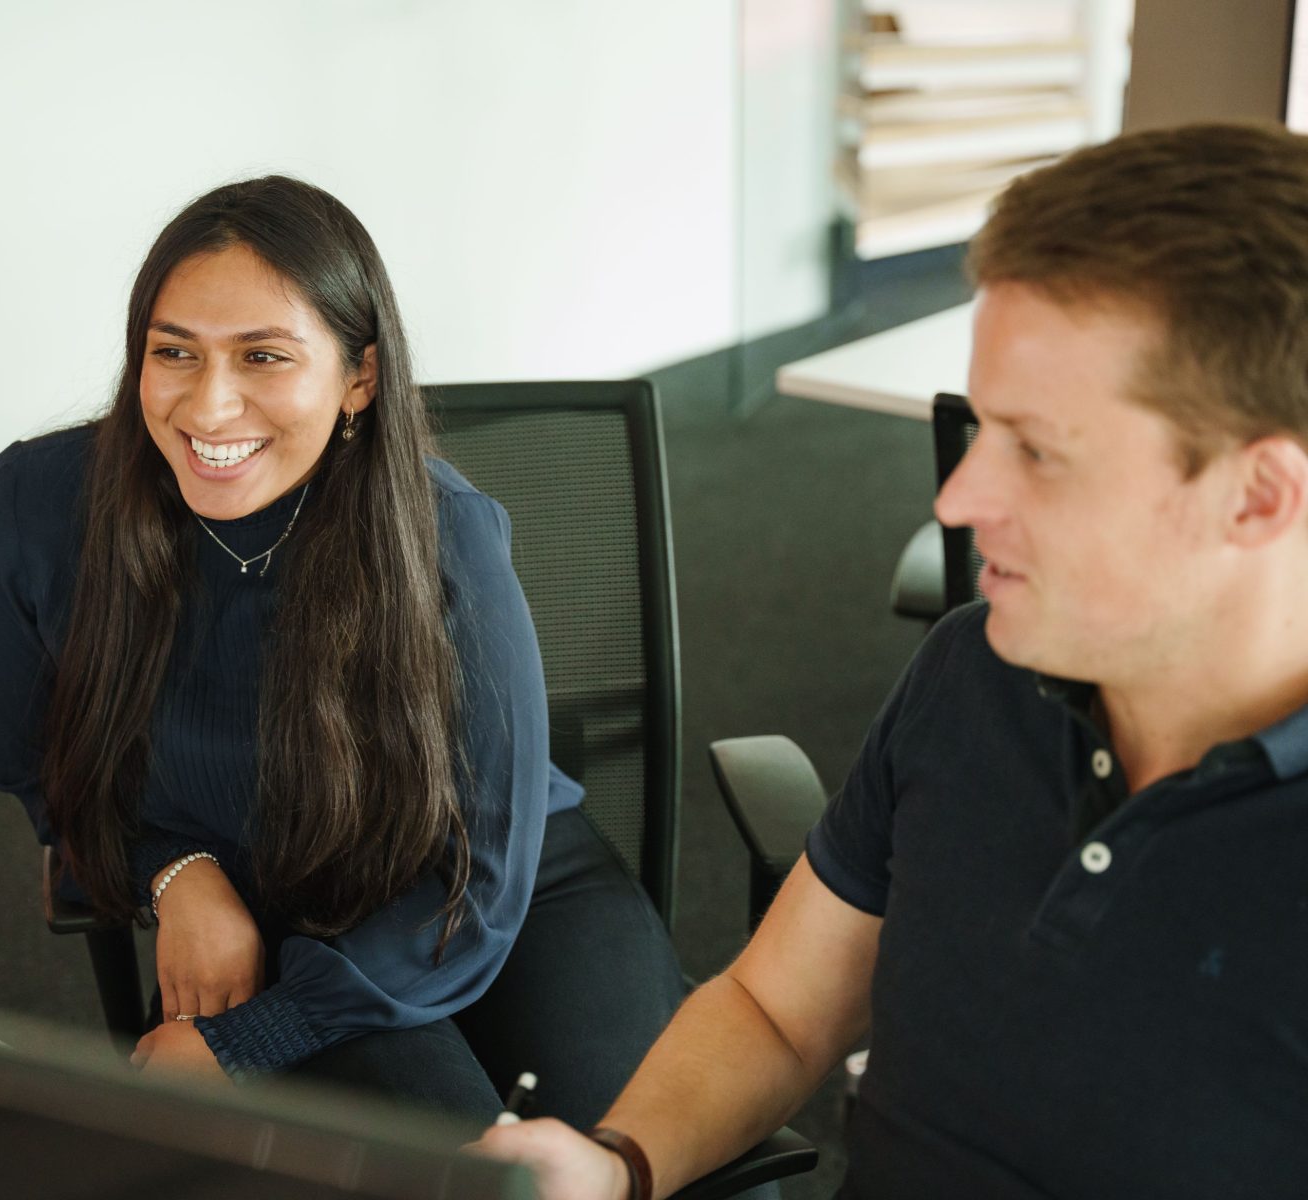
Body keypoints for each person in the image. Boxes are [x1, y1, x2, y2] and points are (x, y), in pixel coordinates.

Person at [478, 121, 1308, 1198]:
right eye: (976, 430)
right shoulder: (976, 670)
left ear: (1256, 497)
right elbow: (772, 1012)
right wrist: (615, 1165)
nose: (956, 500)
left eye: (1037, 451)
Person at [0, 176, 682, 1125]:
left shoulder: (442, 534)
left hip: (479, 885)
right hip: (272, 914)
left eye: (263, 356)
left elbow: (489, 867)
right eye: (174, 352)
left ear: (360, 378)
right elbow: (40, 770)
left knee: (658, 1153)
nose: (210, 409)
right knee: (448, 1173)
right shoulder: (30, 512)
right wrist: (173, 872)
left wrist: (250, 1039)